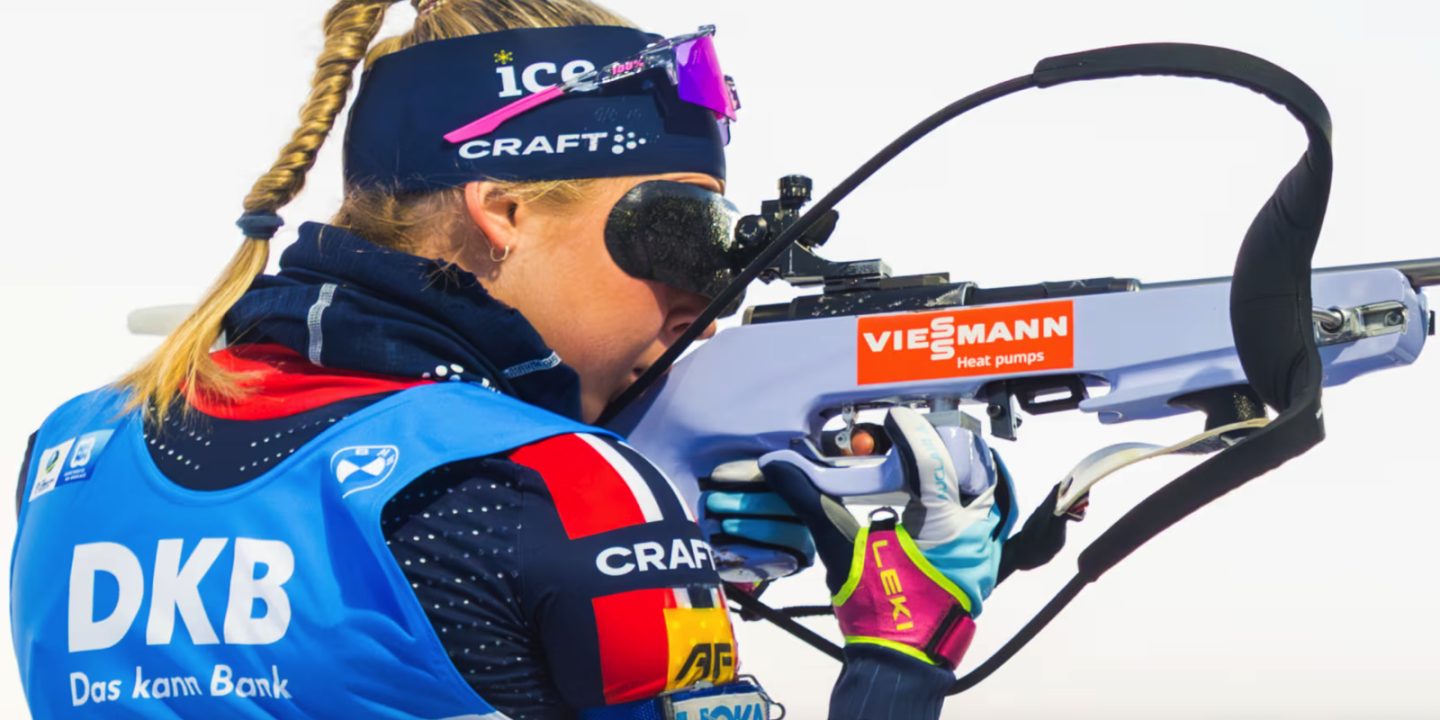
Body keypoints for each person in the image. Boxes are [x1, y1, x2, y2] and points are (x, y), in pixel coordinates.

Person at [9, 1, 1078, 718]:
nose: (707, 301)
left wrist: (661, 538)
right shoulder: (563, 488)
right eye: (677, 237)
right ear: (504, 210)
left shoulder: (74, 450)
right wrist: (899, 658)